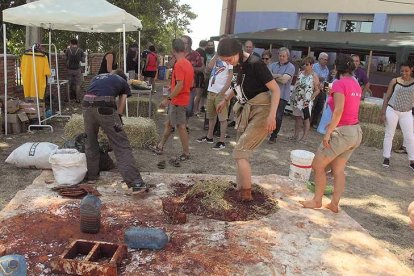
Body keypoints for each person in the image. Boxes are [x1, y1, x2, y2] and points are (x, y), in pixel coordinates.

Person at [215, 38, 281, 201]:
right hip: (248, 109)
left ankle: (246, 194)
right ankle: (240, 188)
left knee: (240, 152)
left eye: (229, 59)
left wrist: (272, 117)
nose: (229, 63)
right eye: (225, 61)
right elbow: (238, 85)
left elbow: (276, 90)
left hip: (262, 111)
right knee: (240, 152)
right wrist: (226, 99)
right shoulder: (238, 64)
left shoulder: (256, 63)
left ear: (237, 52)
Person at [300, 54, 363, 213]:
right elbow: (349, 109)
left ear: (336, 68)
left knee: (318, 164)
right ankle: (334, 204)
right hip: (355, 131)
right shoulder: (356, 85)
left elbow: (339, 110)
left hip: (342, 132)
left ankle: (317, 200)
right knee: (338, 170)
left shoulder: (339, 84)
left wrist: (329, 132)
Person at [82, 69, 146, 193]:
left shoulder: (98, 76)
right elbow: (121, 104)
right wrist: (118, 120)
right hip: (105, 106)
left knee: (90, 142)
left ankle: (92, 177)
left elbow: (92, 91)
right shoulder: (123, 81)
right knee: (121, 146)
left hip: (86, 105)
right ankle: (135, 182)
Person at [151, 39, 194, 160]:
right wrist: (172, 86)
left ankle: (186, 153)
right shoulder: (187, 63)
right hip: (181, 99)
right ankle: (160, 146)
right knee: (169, 124)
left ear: (173, 50)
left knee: (180, 126)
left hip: (178, 101)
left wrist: (168, 99)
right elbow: (187, 83)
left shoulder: (179, 64)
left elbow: (180, 85)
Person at [196, 47, 233, 150]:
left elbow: (230, 78)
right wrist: (216, 55)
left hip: (221, 93)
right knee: (211, 116)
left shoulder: (231, 59)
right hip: (211, 91)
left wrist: (222, 93)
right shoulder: (217, 57)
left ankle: (221, 141)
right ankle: (209, 137)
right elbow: (208, 68)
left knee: (222, 118)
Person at [380, 62, 414, 172]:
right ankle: (386, 158)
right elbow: (387, 96)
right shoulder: (394, 81)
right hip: (392, 109)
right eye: (402, 71)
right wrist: (382, 112)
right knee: (389, 134)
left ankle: (412, 160)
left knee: (409, 136)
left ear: (411, 70)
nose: (404, 73)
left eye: (406, 71)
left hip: (407, 112)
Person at [267, 47, 296, 143]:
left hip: (282, 96)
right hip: (270, 94)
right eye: (280, 55)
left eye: (283, 56)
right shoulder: (273, 64)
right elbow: (267, 76)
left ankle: (274, 135)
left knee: (278, 116)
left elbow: (284, 80)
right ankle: (264, 132)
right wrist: (279, 75)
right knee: (266, 114)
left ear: (287, 56)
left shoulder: (291, 67)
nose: (281, 57)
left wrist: (273, 76)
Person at [290, 56, 320, 142]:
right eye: (304, 64)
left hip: (306, 101)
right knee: (297, 118)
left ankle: (304, 137)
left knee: (306, 119)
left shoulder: (314, 76)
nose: (305, 66)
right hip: (298, 99)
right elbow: (296, 85)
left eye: (307, 64)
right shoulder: (300, 73)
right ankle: (296, 135)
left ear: (311, 65)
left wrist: (309, 99)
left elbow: (317, 90)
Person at [311, 52, 330, 128]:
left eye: (326, 60)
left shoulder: (327, 69)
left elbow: (325, 80)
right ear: (320, 59)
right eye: (324, 59)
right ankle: (307, 121)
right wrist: (319, 78)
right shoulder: (314, 66)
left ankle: (314, 122)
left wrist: (325, 90)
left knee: (319, 106)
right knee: (312, 105)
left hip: (322, 90)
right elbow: (311, 76)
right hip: (313, 89)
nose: (326, 61)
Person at [65, 38, 85, 103]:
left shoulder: (68, 50)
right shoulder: (80, 50)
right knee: (78, 85)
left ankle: (68, 99)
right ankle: (78, 99)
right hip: (77, 70)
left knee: (68, 84)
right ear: (77, 43)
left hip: (69, 70)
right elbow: (83, 60)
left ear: (71, 43)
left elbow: (65, 59)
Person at [194, 40, 208, 114]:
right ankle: (195, 110)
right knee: (198, 94)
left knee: (197, 93)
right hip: (199, 74)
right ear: (205, 45)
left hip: (196, 73)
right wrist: (204, 73)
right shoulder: (202, 52)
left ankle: (195, 109)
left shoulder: (196, 51)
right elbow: (202, 63)